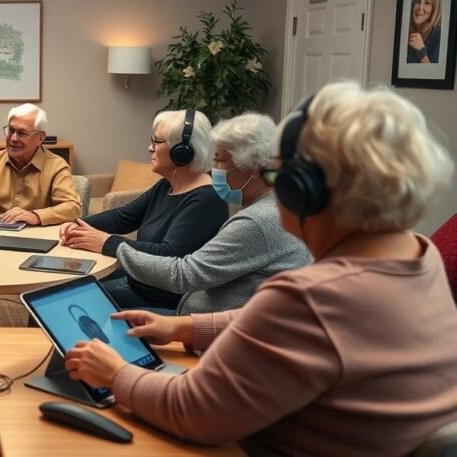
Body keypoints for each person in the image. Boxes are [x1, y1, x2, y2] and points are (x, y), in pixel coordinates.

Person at [64, 81, 457, 456]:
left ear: (304, 189)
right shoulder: (421, 258)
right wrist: (187, 327)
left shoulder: (308, 298)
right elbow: (293, 328)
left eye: (275, 175)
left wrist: (115, 373)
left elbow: (194, 412)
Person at [114, 113, 310, 315]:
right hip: (213, 317)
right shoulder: (281, 204)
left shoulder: (257, 221)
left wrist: (114, 247)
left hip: (209, 327)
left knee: (106, 313)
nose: (213, 169)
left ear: (253, 168)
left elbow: (184, 275)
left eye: (219, 160)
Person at [61, 109, 228, 312]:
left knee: (59, 300)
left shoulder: (205, 200)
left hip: (158, 299)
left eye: (157, 141)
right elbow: (122, 217)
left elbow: (168, 255)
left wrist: (105, 242)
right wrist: (77, 224)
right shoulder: (167, 185)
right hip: (138, 281)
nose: (150, 148)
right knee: (56, 288)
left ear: (182, 151)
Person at [0, 103, 81, 225]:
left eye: (22, 133)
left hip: (36, 235)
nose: (13, 138)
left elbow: (72, 208)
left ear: (40, 138)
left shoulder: (56, 165)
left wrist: (35, 216)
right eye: (11, 130)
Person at [407, 0, 443, 64]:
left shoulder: (439, 35)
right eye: (418, 1)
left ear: (435, 9)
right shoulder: (405, 32)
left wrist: (421, 50)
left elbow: (436, 75)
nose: (420, 7)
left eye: (427, 3)